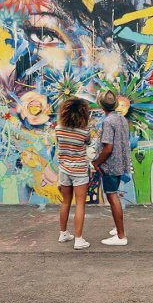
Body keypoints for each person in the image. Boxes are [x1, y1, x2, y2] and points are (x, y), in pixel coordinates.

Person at [92, 90, 131, 246]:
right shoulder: (121, 119)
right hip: (120, 163)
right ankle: (118, 229)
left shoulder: (108, 122)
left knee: (112, 197)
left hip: (110, 165)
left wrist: (97, 162)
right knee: (115, 197)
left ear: (101, 106)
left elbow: (108, 148)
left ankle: (121, 236)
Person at [55, 98, 92, 250]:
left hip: (64, 170)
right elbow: (89, 144)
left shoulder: (58, 129)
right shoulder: (84, 132)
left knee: (65, 202)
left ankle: (63, 233)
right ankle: (78, 239)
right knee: (80, 204)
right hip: (79, 171)